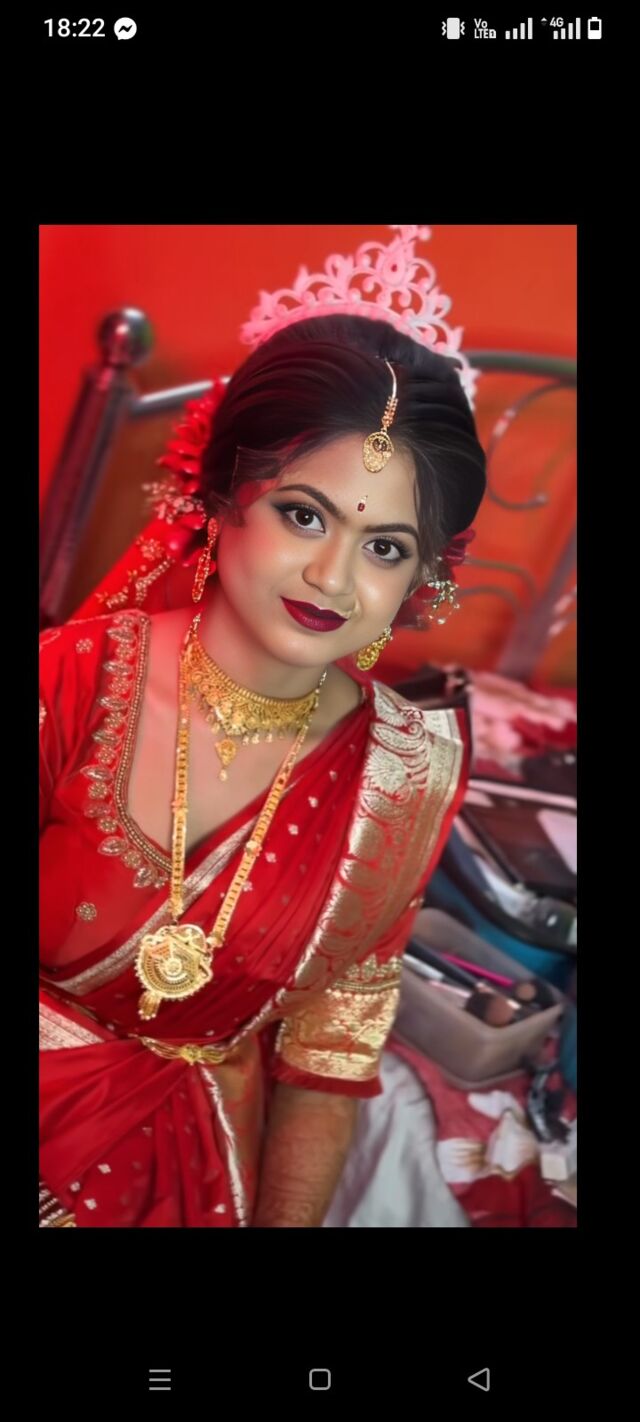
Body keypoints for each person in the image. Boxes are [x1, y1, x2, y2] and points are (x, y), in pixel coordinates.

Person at [39, 230, 487, 1227]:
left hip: (201, 1157)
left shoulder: (407, 775)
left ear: (424, 576)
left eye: (384, 546)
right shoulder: (68, 684)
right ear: (219, 497)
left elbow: (330, 1053)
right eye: (303, 515)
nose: (333, 578)